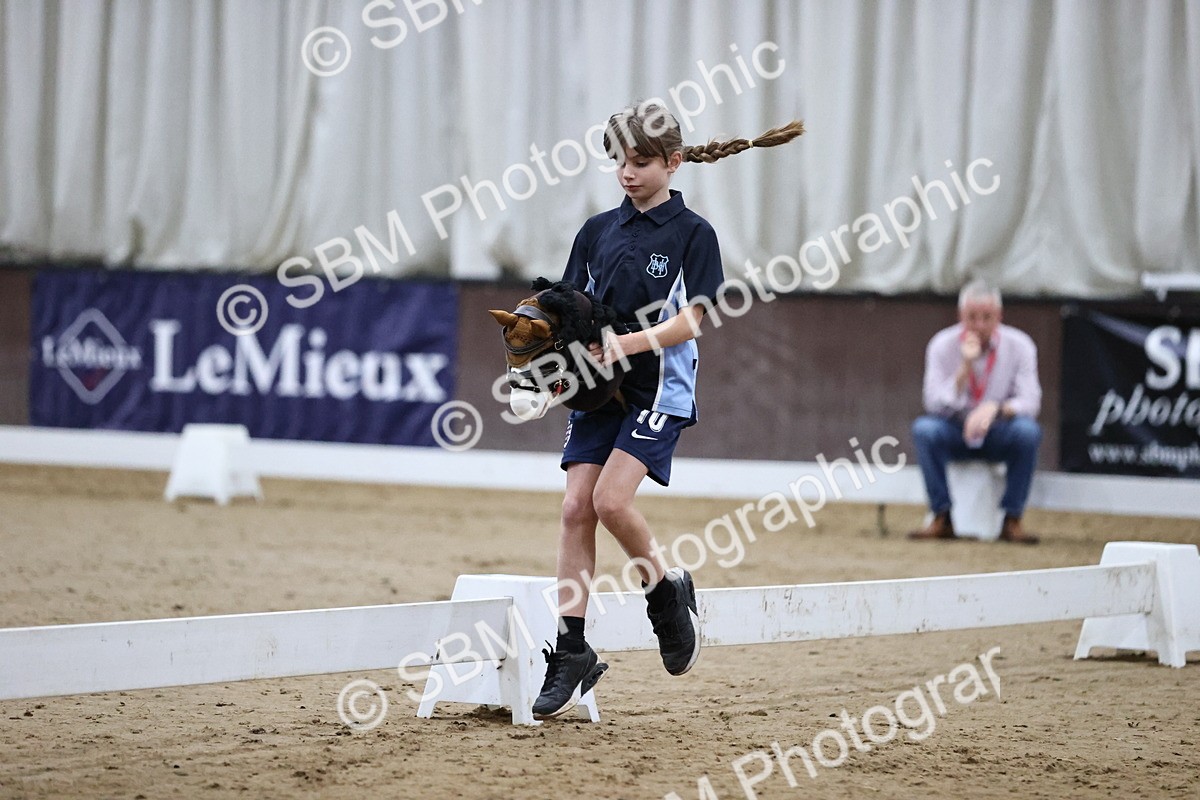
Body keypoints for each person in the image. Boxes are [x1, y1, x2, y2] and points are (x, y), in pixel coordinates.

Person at [532, 103, 804, 719]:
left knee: (610, 501)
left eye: (640, 162)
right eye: (619, 162)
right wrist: (558, 368)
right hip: (600, 388)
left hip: (659, 385)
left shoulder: (693, 234)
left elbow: (693, 321)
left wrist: (625, 344)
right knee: (576, 505)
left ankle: (665, 593)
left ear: (673, 163)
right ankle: (572, 647)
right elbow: (573, 310)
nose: (627, 173)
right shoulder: (596, 229)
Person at [908, 279, 1043, 544]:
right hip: (955, 429)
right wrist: (964, 367)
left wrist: (995, 409)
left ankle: (1012, 519)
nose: (979, 325)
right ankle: (942, 516)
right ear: (960, 316)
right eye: (972, 317)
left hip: (997, 431)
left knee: (1027, 432)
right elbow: (933, 402)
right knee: (925, 430)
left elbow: (1031, 401)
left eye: (987, 317)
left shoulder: (1021, 346)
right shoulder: (942, 345)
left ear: (999, 317)